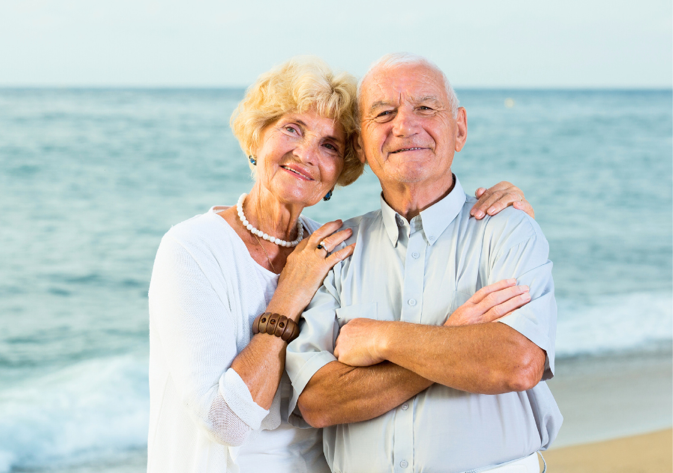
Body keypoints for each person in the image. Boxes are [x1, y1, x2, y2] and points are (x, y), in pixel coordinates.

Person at [148, 56, 535, 473]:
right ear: (255, 137)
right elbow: (225, 421)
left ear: (344, 168)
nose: (305, 154)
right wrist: (289, 296)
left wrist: (502, 213)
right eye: (292, 128)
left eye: (329, 145)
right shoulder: (193, 248)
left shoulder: (332, 247)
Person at [286, 53, 561, 473]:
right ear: (360, 143)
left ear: (460, 128)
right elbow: (319, 402)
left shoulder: (507, 230)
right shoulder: (337, 250)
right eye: (384, 113)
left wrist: (380, 339)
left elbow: (518, 362)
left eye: (425, 108)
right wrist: (453, 340)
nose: (404, 125)